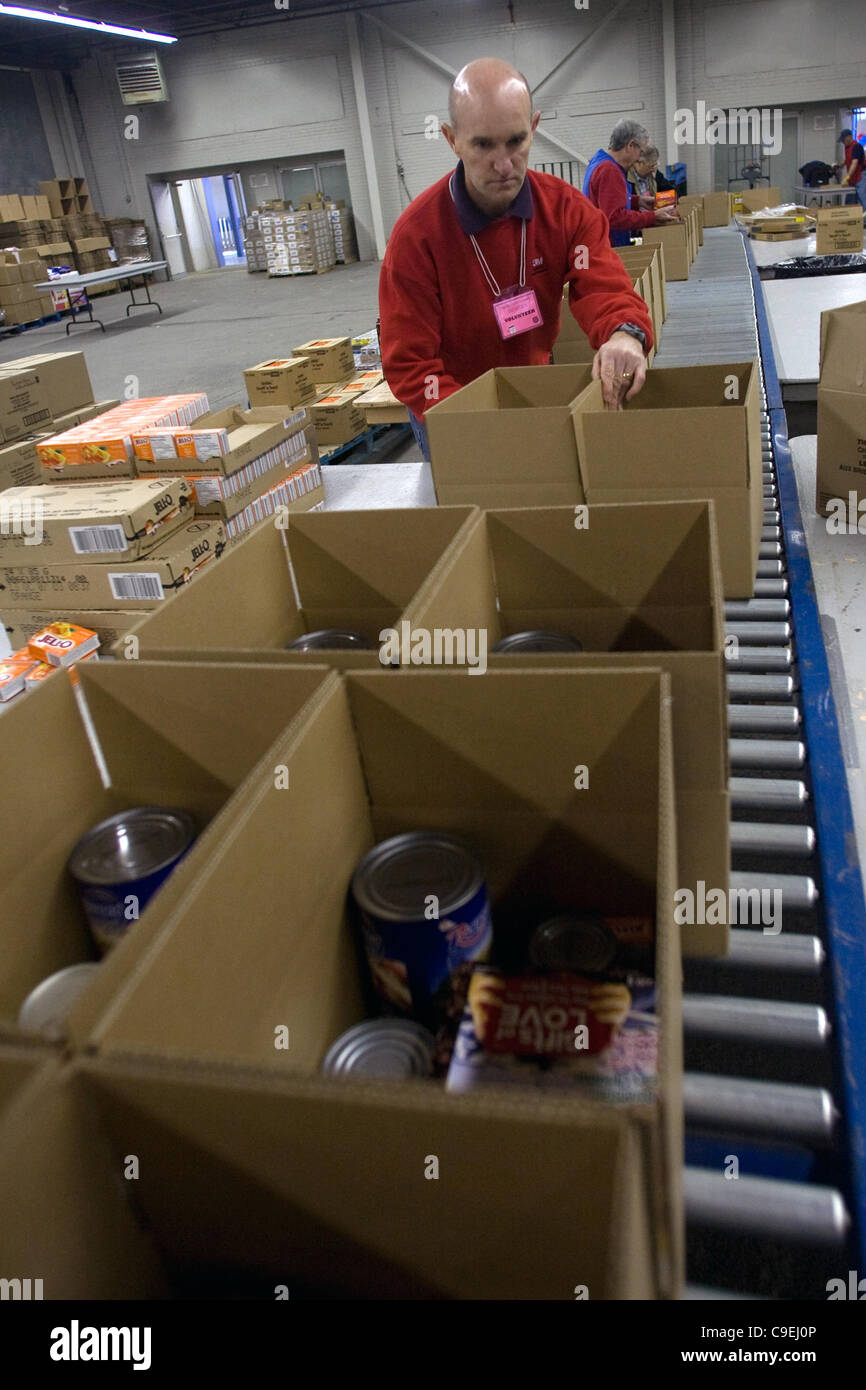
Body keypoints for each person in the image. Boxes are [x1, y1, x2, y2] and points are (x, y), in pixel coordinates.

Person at [378, 58, 655, 462]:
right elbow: (410, 362)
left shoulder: (565, 211)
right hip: (451, 408)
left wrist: (625, 333)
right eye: (483, 145)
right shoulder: (417, 238)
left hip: (529, 389)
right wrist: (480, 427)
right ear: (451, 139)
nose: (504, 164)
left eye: (515, 141)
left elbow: (602, 283)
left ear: (534, 127)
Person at [583, 121, 679, 247]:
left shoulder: (599, 160)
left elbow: (605, 201)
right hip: (610, 247)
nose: (639, 159)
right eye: (640, 152)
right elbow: (614, 217)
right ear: (630, 146)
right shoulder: (609, 170)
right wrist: (652, 217)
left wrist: (637, 201)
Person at [836, 129, 866, 210]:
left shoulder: (856, 147)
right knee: (850, 200)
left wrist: (847, 177)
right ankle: (850, 219)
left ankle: (864, 221)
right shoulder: (848, 147)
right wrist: (839, 166)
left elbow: (854, 163)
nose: (842, 142)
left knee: (862, 198)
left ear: (849, 137)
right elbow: (848, 160)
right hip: (853, 177)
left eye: (843, 140)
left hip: (861, 176)